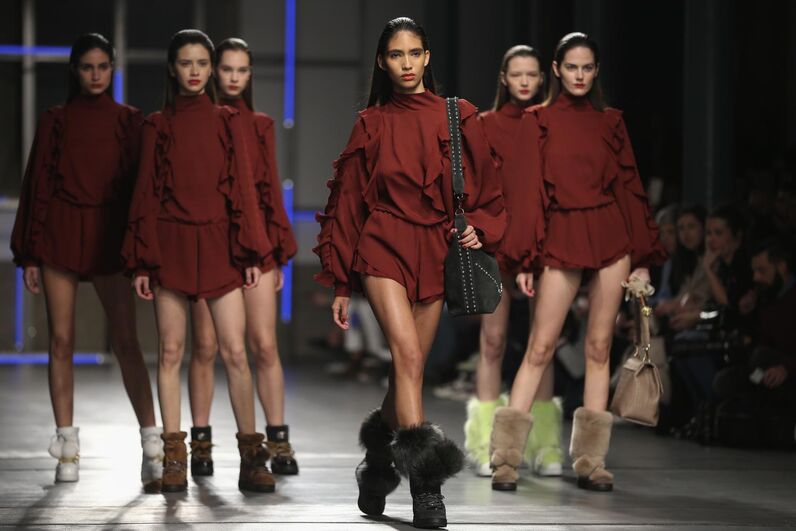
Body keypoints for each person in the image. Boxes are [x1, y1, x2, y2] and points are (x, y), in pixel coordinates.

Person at [314, 17, 505, 529]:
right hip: (382, 245)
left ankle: (378, 464)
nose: (406, 63)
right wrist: (340, 282)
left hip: (435, 249)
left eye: (414, 53)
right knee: (409, 356)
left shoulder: (459, 116)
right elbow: (347, 206)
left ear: (426, 58)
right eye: (396, 55)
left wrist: (480, 228)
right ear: (382, 61)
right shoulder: (371, 123)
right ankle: (426, 486)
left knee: (409, 369)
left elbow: (489, 188)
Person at [490, 32, 665, 492]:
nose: (580, 75)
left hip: (609, 232)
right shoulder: (538, 120)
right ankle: (505, 457)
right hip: (561, 232)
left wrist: (642, 257)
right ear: (557, 69)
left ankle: (591, 460)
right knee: (541, 346)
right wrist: (525, 258)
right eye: (572, 67)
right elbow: (528, 194)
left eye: (587, 67)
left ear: (596, 70)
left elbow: (629, 188)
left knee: (599, 347)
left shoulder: (611, 122)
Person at [123, 29, 274, 494]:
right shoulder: (157, 125)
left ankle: (251, 458)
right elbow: (145, 194)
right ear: (173, 69)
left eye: (202, 63)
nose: (195, 71)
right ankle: (175, 459)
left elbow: (243, 188)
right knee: (171, 351)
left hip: (220, 246)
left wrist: (250, 250)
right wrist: (142, 262)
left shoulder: (228, 120)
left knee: (235, 352)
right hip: (169, 246)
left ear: (210, 69)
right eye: (186, 63)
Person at [10, 33, 161, 491]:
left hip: (109, 237)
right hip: (59, 233)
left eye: (103, 66)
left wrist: (141, 252)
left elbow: (142, 191)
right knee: (61, 341)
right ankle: (67, 448)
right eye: (87, 67)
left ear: (112, 69)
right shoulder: (54, 121)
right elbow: (37, 184)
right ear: (75, 71)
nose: (96, 75)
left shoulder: (130, 122)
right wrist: (29, 253)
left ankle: (153, 447)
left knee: (126, 341)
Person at [185, 37, 299, 479]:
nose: (233, 77)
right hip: (212, 243)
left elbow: (268, 190)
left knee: (264, 345)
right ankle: (200, 445)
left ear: (250, 75)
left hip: (258, 244)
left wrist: (278, 252)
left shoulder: (261, 125)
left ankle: (278, 440)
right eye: (227, 69)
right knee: (206, 346)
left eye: (242, 70)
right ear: (214, 71)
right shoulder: (202, 123)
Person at [464, 44, 563, 479]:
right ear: (504, 78)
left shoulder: (549, 123)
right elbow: (476, 187)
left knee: (543, 344)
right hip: (495, 244)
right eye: (517, 74)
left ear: (543, 78)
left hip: (543, 243)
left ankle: (545, 444)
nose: (524, 81)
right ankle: (484, 442)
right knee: (493, 341)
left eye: (532, 74)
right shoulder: (485, 125)